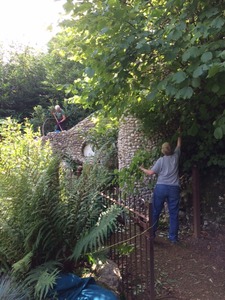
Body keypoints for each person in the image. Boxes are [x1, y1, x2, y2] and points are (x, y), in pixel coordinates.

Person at [139, 131, 181, 243]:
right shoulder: (176, 157)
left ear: (162, 151)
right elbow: (179, 145)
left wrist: (142, 168)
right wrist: (179, 134)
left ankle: (151, 234)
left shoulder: (161, 161)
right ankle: (173, 238)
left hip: (161, 188)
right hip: (174, 188)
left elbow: (151, 173)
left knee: (156, 211)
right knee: (173, 213)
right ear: (171, 149)